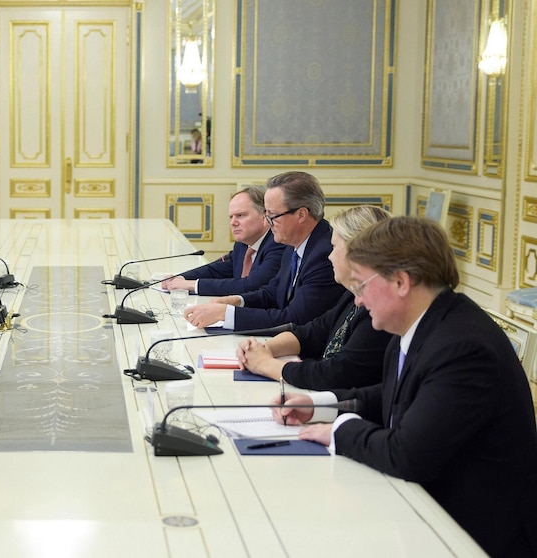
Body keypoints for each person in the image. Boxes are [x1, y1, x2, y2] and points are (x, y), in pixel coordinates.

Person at [276, 217, 537, 558]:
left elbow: (408, 455)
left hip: (472, 537)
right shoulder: (429, 323)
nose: (357, 301)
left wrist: (337, 431)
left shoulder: (462, 347)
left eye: (363, 286)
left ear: (400, 281)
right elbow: (392, 395)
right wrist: (322, 405)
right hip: (429, 510)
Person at [236, 205, 393, 389]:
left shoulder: (377, 309)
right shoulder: (352, 296)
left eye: (334, 247)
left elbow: (336, 374)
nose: (330, 256)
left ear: (357, 253)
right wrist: (264, 349)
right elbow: (310, 333)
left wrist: (264, 365)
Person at [184, 171, 346, 331]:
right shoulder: (293, 242)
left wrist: (227, 314)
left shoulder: (324, 254)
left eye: (273, 216)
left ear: (301, 214)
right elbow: (274, 291)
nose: (268, 223)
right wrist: (238, 301)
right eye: (266, 214)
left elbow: (295, 319)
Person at [161, 186, 284, 296]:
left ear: (264, 216)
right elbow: (216, 270)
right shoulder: (242, 245)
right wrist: (180, 278)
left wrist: (191, 285)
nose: (233, 223)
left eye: (241, 215)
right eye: (231, 217)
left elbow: (250, 285)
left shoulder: (277, 244)